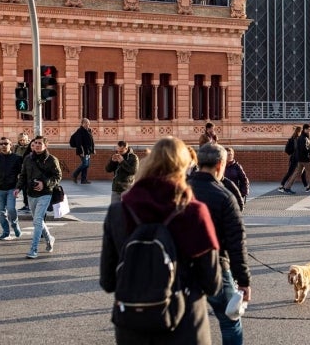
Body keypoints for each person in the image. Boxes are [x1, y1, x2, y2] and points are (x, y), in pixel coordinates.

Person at [100, 136, 222, 345]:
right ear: (184, 167)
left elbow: (108, 281)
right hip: (185, 323)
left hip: (132, 322)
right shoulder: (193, 212)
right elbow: (212, 284)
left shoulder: (119, 211)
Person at [188, 143, 251, 345]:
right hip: (216, 266)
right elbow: (236, 241)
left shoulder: (181, 189)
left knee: (186, 322)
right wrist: (244, 281)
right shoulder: (224, 196)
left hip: (182, 267)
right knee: (230, 319)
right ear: (220, 164)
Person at [14, 136, 62, 259]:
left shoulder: (52, 160)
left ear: (46, 145)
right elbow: (23, 175)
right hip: (31, 194)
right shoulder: (28, 159)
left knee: (37, 220)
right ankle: (50, 238)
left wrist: (44, 183)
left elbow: (58, 177)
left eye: (40, 143)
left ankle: (33, 249)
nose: (37, 145)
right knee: (38, 220)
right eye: (35, 143)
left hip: (45, 194)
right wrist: (18, 188)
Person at [282, 123, 310, 194]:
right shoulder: (303, 138)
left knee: (296, 173)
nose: (309, 131)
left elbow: (303, 148)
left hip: (300, 159)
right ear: (304, 129)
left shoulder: (302, 137)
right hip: (306, 159)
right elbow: (304, 149)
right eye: (308, 129)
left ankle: (287, 187)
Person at [279, 126, 308, 193]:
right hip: (296, 158)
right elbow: (297, 149)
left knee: (302, 172)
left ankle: (306, 187)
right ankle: (281, 186)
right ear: (300, 132)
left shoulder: (293, 138)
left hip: (295, 158)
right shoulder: (297, 139)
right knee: (291, 172)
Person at [70, 118, 95, 184]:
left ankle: (83, 180)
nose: (88, 124)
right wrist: (81, 152)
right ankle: (74, 174)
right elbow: (79, 143)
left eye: (88, 123)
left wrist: (93, 149)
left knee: (87, 165)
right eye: (86, 123)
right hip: (83, 151)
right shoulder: (80, 131)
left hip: (88, 151)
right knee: (85, 164)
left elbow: (91, 141)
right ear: (82, 124)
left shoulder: (89, 130)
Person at [13, 132, 32, 212]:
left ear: (27, 140)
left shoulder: (30, 147)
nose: (22, 141)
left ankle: (30, 205)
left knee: (29, 189)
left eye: (24, 140)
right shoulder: (16, 148)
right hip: (20, 171)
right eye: (20, 140)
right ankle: (26, 204)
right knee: (23, 189)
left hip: (29, 171)